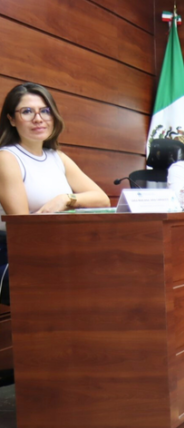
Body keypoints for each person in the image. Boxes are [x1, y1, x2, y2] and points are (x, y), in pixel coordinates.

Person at [0, 82, 110, 308]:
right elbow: (22, 229)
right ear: (11, 119)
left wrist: (66, 200)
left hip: (58, 248)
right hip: (18, 255)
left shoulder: (56, 157)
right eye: (27, 111)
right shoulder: (7, 159)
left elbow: (102, 198)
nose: (38, 119)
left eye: (45, 111)